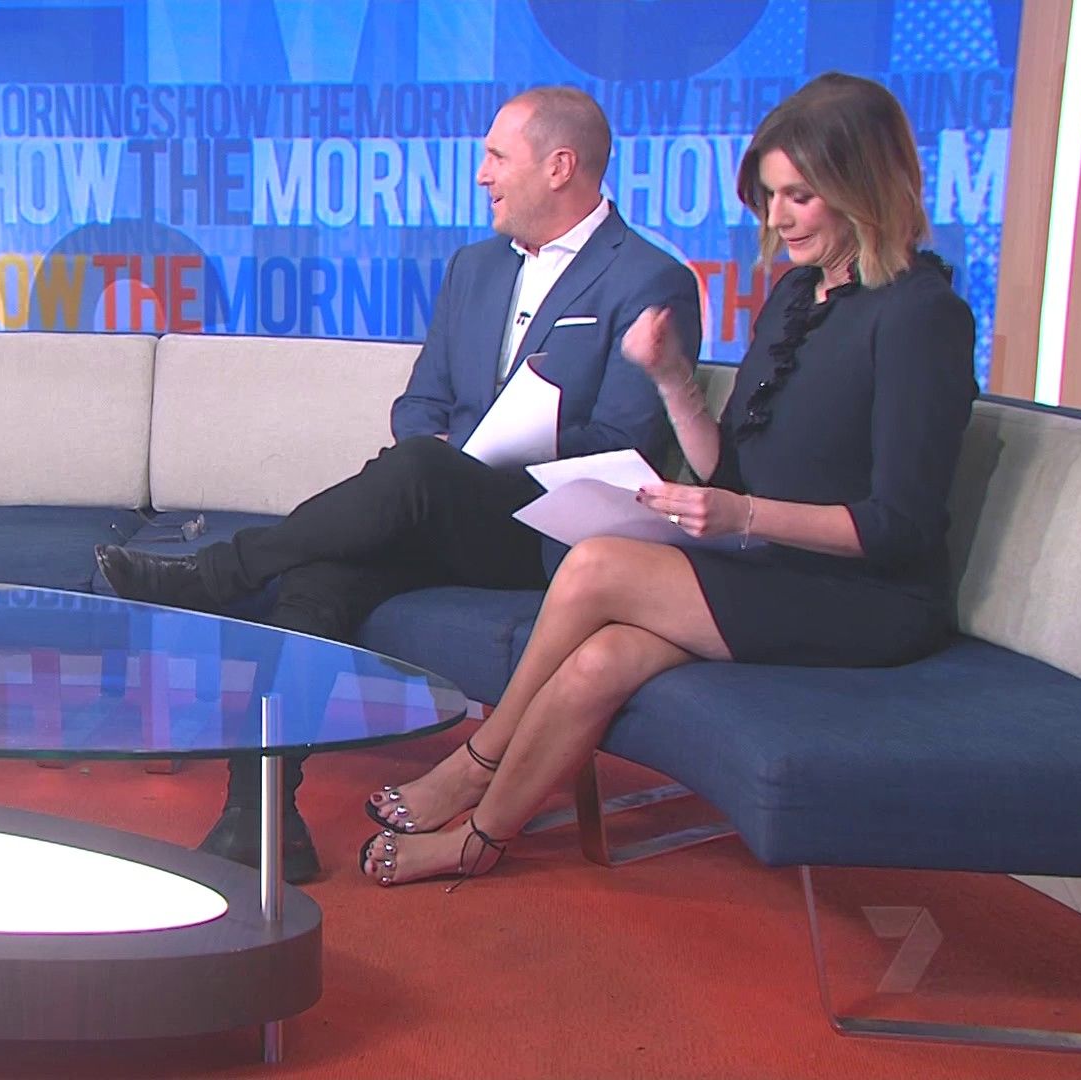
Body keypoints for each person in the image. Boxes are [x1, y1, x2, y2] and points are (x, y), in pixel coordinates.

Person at [356, 72, 978, 887]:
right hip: (770, 566)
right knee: (602, 661)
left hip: (865, 596)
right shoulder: (797, 295)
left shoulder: (921, 316)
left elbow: (900, 526)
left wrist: (742, 516)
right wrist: (674, 379)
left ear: (863, 189)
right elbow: (733, 469)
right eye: (769, 197)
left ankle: (477, 758)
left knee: (599, 565)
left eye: (799, 196)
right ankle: (480, 838)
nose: (779, 218)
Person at [95, 87, 703, 882]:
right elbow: (419, 403)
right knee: (321, 576)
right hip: (440, 510)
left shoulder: (650, 279)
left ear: (560, 167)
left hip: (550, 531)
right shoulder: (474, 267)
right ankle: (260, 816)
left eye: (497, 157)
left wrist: (472, 461)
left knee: (419, 471)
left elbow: (627, 442)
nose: (482, 175)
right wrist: (441, 453)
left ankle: (221, 572)